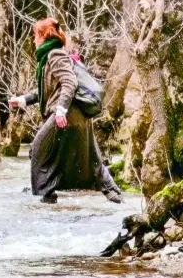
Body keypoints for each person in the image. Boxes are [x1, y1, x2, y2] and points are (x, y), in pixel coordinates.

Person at [9, 18, 123, 204]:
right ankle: (114, 195)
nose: (33, 40)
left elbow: (70, 82)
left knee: (38, 149)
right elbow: (46, 90)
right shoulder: (49, 57)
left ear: (43, 36)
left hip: (68, 113)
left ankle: (47, 196)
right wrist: (22, 100)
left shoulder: (55, 55)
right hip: (76, 114)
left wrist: (61, 110)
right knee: (92, 158)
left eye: (35, 36)